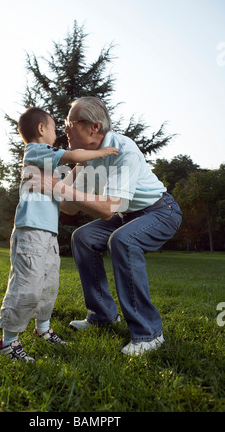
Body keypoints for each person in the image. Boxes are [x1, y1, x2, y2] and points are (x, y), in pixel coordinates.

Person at [31, 97, 182, 356]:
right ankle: (102, 315)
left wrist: (58, 187)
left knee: (124, 241)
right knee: (82, 238)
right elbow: (68, 206)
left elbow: (108, 208)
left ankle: (149, 333)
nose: (65, 129)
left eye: (70, 123)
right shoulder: (87, 159)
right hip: (128, 216)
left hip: (161, 211)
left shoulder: (125, 151)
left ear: (94, 127)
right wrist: (49, 183)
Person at [0, 106, 119, 363]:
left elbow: (65, 193)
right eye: (54, 128)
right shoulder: (36, 150)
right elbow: (74, 155)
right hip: (31, 232)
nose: (58, 133)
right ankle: (8, 342)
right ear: (41, 129)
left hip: (48, 235)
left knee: (48, 285)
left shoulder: (46, 162)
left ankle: (43, 329)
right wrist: (103, 152)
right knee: (27, 287)